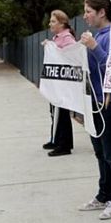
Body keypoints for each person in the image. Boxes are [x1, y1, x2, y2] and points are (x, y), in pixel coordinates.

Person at [78, 0, 111, 220]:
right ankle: (104, 194)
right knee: (101, 153)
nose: (85, 16)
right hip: (96, 103)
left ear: (101, 12)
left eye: (88, 11)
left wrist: (94, 47)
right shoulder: (98, 36)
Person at [44, 9, 77, 157]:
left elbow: (72, 55)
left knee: (62, 114)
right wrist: (50, 45)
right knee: (55, 112)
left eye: (53, 21)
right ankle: (56, 139)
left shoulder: (67, 38)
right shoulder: (57, 37)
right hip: (57, 84)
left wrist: (54, 48)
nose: (50, 24)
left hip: (63, 84)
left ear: (62, 23)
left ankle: (64, 145)